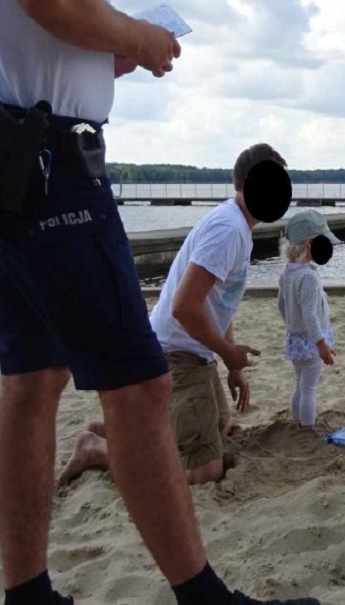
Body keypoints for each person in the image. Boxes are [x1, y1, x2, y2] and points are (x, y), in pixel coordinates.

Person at [0, 0, 319, 603]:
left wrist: (110, 48)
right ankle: (202, 597)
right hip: (53, 159)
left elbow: (28, 26)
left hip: (5, 155)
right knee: (140, 392)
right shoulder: (226, 231)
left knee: (32, 380)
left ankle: (27, 593)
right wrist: (135, 33)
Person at [58, 143, 285, 488]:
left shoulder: (237, 226)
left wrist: (233, 366)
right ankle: (96, 450)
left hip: (192, 350)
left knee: (221, 426)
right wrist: (226, 352)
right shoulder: (228, 231)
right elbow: (184, 306)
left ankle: (110, 432)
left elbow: (217, 304)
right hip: (177, 354)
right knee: (203, 471)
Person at [277, 209, 342, 429]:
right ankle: (307, 426)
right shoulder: (309, 277)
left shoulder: (287, 272)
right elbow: (310, 314)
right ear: (311, 243)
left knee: (299, 383)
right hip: (311, 341)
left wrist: (291, 325)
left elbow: (281, 304)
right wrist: (321, 343)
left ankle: (297, 421)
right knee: (309, 389)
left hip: (295, 339)